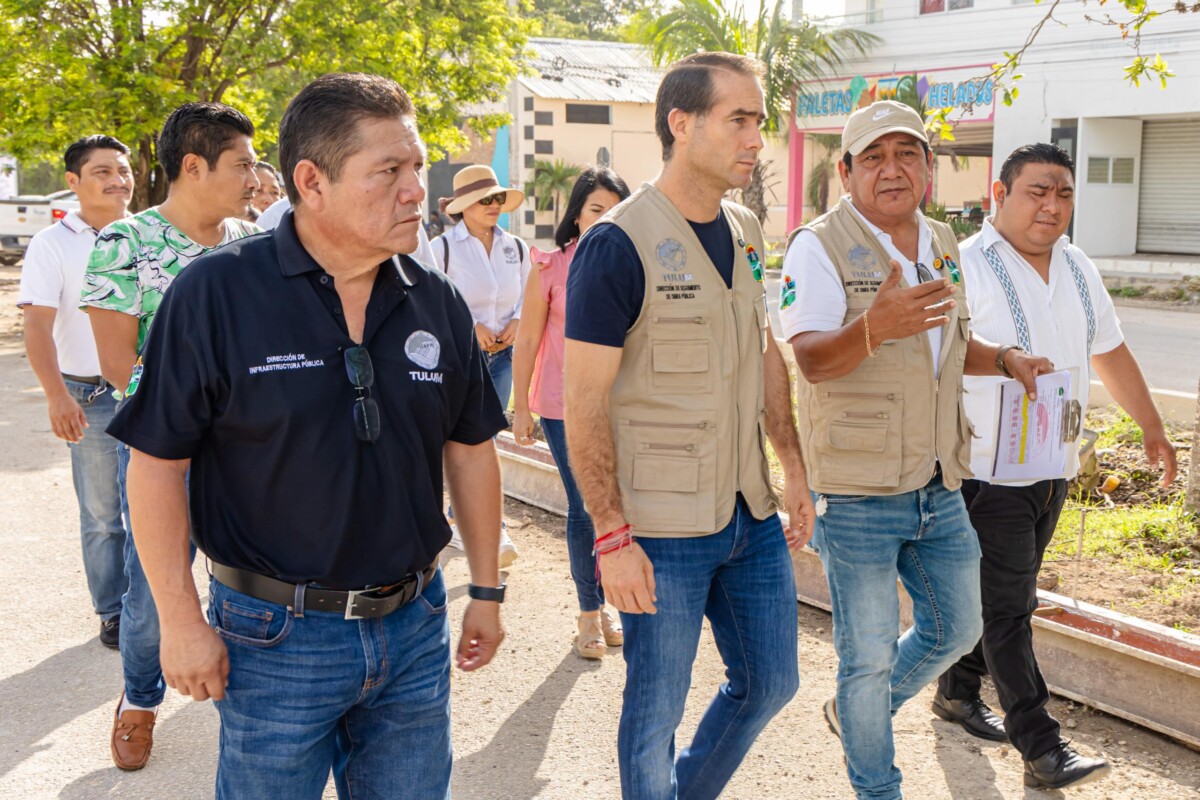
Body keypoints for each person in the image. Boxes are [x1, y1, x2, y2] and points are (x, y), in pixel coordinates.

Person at [107, 72, 508, 800]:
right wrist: (180, 621)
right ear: (311, 181)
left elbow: (470, 445)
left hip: (415, 628)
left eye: (416, 167)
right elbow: (156, 465)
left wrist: (486, 585)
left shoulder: (436, 299)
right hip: (273, 640)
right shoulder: (214, 294)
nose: (416, 189)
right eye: (388, 171)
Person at [779, 100, 1054, 800]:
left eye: (907, 154)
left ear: (930, 168)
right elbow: (810, 360)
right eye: (873, 157)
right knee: (867, 656)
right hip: (859, 492)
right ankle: (878, 786)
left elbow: (949, 346)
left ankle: (855, 711)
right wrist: (873, 327)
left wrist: (1008, 358)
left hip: (938, 482)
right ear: (845, 172)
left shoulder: (938, 239)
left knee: (959, 629)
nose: (892, 169)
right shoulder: (818, 246)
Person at [564, 52, 815, 799]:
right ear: (682, 123)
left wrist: (792, 467)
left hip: (748, 513)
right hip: (662, 528)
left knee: (771, 682)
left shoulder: (744, 229)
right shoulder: (616, 246)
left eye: (759, 121)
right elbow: (582, 407)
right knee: (654, 715)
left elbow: (766, 351)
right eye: (739, 119)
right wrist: (611, 535)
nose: (755, 139)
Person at [934, 143, 1176, 791]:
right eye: (1036, 191)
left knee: (1000, 600)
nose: (1051, 205)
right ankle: (1041, 745)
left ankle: (957, 692)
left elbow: (1110, 350)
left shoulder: (1076, 265)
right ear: (999, 194)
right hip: (989, 470)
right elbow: (938, 356)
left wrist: (1151, 426)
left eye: (1063, 193)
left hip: (1055, 461)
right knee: (1012, 608)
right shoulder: (964, 266)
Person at [81, 101, 261, 771]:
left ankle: (252, 702)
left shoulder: (253, 239)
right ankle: (139, 701)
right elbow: (117, 366)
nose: (252, 175)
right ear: (193, 165)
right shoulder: (124, 242)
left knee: (252, 579)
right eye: (242, 163)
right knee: (156, 586)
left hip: (250, 447)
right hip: (164, 449)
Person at [17, 135, 134, 649]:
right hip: (89, 399)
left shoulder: (149, 235)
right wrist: (55, 395)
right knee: (105, 516)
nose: (118, 180)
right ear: (73, 182)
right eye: (103, 172)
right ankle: (113, 611)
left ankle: (151, 606)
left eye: (123, 171)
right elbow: (37, 327)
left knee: (162, 508)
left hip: (149, 391)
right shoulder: (53, 244)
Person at [512, 166, 630, 659]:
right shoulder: (550, 267)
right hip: (563, 406)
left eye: (616, 210)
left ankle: (608, 599)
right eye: (596, 209)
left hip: (622, 404)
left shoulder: (633, 265)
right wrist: (520, 407)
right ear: (577, 215)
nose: (606, 219)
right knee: (586, 503)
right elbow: (528, 339)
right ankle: (588, 613)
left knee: (619, 502)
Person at [431, 164, 530, 567]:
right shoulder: (443, 249)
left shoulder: (516, 247)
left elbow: (528, 293)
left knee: (484, 434)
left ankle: (461, 517)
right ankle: (493, 526)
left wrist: (519, 320)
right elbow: (432, 298)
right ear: (463, 206)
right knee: (469, 438)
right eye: (485, 200)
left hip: (502, 357)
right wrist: (469, 326)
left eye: (497, 199)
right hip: (458, 360)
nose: (494, 206)